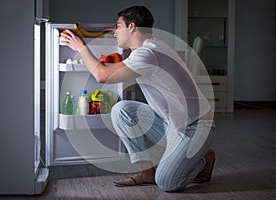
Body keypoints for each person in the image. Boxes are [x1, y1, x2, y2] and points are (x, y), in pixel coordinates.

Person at [60, 5, 215, 192]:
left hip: (195, 127)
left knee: (167, 183)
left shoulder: (148, 54)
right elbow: (123, 61)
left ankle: (203, 158)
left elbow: (103, 76)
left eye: (118, 26)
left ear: (132, 26)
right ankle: (146, 171)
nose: (115, 31)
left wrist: (81, 47)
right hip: (172, 123)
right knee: (122, 110)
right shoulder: (150, 46)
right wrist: (113, 37)